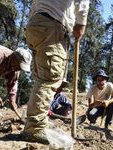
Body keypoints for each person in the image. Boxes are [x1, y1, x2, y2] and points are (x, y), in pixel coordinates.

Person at [23, 0, 90, 143]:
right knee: (49, 78)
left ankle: (39, 121)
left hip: (36, 24)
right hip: (51, 24)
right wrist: (81, 23)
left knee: (41, 77)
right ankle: (34, 128)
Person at [0, 43, 32, 137]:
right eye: (19, 65)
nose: (18, 68)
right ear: (13, 57)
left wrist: (12, 100)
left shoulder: (16, 68)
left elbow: (13, 83)